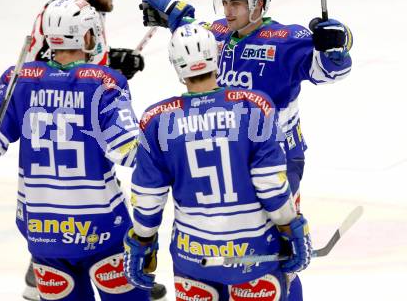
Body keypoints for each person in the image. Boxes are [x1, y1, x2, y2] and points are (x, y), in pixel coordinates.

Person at [138, 0, 353, 300]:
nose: (228, 10)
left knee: (279, 248)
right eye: (225, 2)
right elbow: (192, 36)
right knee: (236, 232)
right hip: (230, 150)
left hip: (278, 154)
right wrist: (177, 18)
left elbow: (330, 69)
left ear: (259, 4)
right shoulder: (217, 33)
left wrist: (336, 44)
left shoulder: (287, 40)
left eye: (237, 3)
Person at [0, 0, 150, 301]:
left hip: (42, 232)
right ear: (87, 36)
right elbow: (128, 150)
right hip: (103, 229)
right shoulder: (104, 83)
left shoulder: (18, 79)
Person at [122, 24, 313, 300]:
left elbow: (148, 196)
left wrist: (142, 241)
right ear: (216, 56)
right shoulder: (253, 106)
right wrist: (290, 227)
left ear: (177, 66)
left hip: (193, 257)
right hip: (253, 254)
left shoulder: (157, 119)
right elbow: (270, 184)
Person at [23, 0, 167, 299]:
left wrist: (112, 64)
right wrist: (107, 75)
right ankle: (45, 266)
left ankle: (56, 265)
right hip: (61, 130)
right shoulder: (59, 16)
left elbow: (79, 65)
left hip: (75, 126)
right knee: (82, 189)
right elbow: (52, 74)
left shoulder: (81, 11)